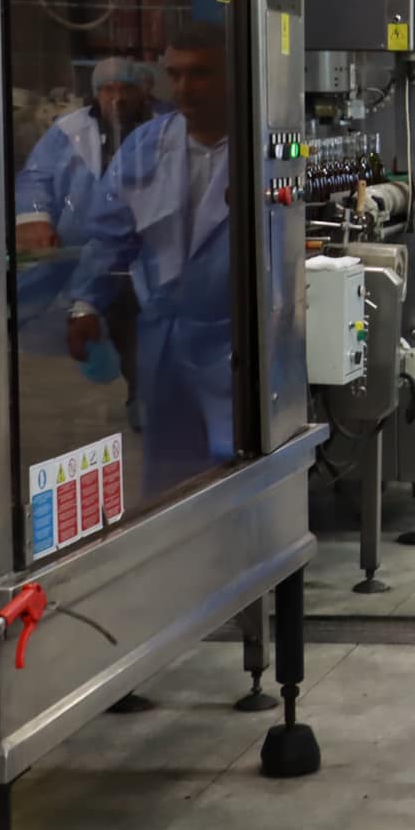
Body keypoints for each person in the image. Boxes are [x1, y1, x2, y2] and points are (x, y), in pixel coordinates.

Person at [66, 29, 236, 495]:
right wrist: (85, 305)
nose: (183, 88)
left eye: (200, 74)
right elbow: (110, 235)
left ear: (233, 75)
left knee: (236, 470)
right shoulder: (147, 146)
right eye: (174, 75)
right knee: (169, 477)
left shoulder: (263, 150)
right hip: (164, 339)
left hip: (235, 341)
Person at [14, 58, 164, 380]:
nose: (117, 98)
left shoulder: (166, 129)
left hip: (146, 256)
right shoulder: (69, 130)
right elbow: (37, 176)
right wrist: (33, 217)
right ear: (96, 93)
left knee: (144, 347)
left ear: (143, 91)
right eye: (108, 89)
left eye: (126, 89)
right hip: (79, 252)